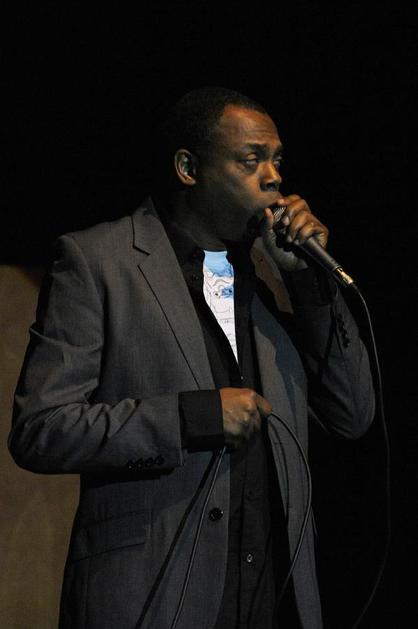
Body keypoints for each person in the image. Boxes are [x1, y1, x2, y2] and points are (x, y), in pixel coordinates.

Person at [9, 87, 375, 629]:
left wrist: (308, 283)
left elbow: (353, 413)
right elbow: (41, 430)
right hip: (151, 599)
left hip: (272, 601)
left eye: (277, 161)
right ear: (188, 168)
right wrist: (188, 418)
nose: (273, 177)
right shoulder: (99, 260)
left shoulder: (275, 277)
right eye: (251, 160)